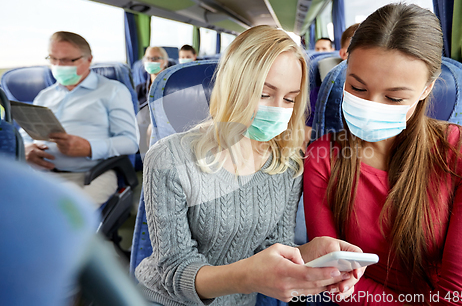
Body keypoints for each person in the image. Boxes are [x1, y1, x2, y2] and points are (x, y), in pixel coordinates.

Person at [135, 25, 364, 306]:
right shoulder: (169, 159)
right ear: (233, 87)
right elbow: (174, 271)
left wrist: (311, 254)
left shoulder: (286, 164)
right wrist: (249, 278)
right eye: (265, 94)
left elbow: (273, 246)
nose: (279, 109)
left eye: (290, 99)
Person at [304, 3, 462, 305]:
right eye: (357, 88)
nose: (372, 105)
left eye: (394, 97)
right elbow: (335, 276)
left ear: (426, 89)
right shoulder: (323, 157)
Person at [23, 31, 138, 207]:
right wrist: (25, 148)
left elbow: (130, 142)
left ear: (89, 60)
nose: (59, 65)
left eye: (68, 60)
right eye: (53, 59)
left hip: (90, 175)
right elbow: (24, 134)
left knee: (59, 220)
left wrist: (89, 148)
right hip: (40, 175)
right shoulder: (44, 96)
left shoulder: (113, 90)